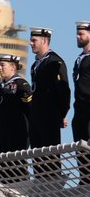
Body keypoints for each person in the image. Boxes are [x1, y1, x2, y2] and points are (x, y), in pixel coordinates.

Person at [28, 27, 70, 166]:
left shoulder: (54, 62)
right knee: (37, 160)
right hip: (36, 118)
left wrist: (60, 114)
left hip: (49, 117)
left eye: (34, 40)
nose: (30, 43)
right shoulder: (35, 65)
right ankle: (40, 186)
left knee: (50, 160)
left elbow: (64, 92)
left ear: (45, 40)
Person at [0, 54, 32, 179]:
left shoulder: (21, 85)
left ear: (12, 67)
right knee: (3, 167)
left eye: (2, 65)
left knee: (17, 166)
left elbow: (30, 107)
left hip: (18, 132)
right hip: (3, 133)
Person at [73, 21, 90, 144]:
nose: (78, 37)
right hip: (79, 111)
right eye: (77, 34)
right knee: (80, 153)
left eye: (81, 34)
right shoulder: (79, 59)